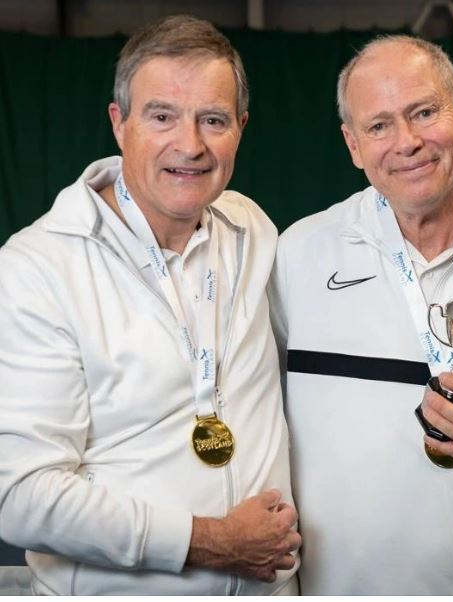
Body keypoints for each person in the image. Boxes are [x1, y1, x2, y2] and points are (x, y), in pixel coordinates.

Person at [0, 15, 300, 596]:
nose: (189, 145)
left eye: (212, 120)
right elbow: (18, 496)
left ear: (240, 127)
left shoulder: (252, 230)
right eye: (162, 116)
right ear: (120, 124)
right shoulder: (37, 268)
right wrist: (210, 540)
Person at [269, 35, 453, 595]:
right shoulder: (299, 251)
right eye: (379, 125)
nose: (406, 142)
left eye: (424, 112)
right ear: (353, 145)